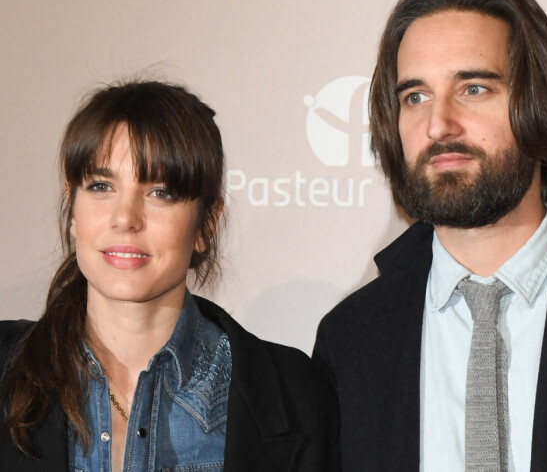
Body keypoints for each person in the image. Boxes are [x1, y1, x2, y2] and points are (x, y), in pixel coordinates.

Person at [313, 0, 547, 471]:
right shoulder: (351, 341)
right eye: (415, 97)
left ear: (539, 102)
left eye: (473, 88)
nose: (438, 124)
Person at [0, 80, 339, 471]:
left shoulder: (295, 396)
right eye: (101, 186)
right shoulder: (8, 371)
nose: (125, 218)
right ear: (72, 210)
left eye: (160, 192)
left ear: (206, 224)